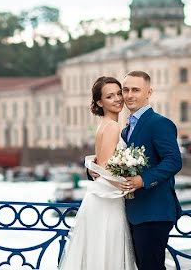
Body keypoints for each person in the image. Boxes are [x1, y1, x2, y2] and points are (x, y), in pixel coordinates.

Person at [58, 76, 136, 270]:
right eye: (110, 96)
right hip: (107, 199)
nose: (118, 99)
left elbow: (100, 162)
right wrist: (128, 183)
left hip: (99, 197)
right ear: (100, 102)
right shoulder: (112, 126)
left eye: (119, 93)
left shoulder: (103, 124)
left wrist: (92, 166)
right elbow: (107, 168)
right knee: (109, 251)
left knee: (96, 252)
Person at [119, 70, 183, 270]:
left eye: (136, 90)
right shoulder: (126, 129)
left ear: (149, 92)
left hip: (154, 212)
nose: (129, 95)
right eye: (126, 90)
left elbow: (174, 161)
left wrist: (143, 180)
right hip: (134, 212)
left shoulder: (159, 124)